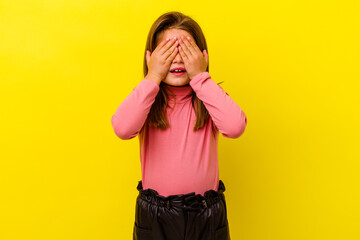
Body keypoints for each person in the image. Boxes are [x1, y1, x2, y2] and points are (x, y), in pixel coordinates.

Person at [111, 11, 247, 240]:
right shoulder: (146, 100)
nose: (177, 59)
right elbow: (123, 129)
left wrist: (201, 77)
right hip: (155, 215)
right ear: (149, 58)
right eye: (167, 52)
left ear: (202, 56)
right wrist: (153, 76)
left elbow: (235, 127)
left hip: (205, 213)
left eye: (185, 52)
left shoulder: (209, 97)